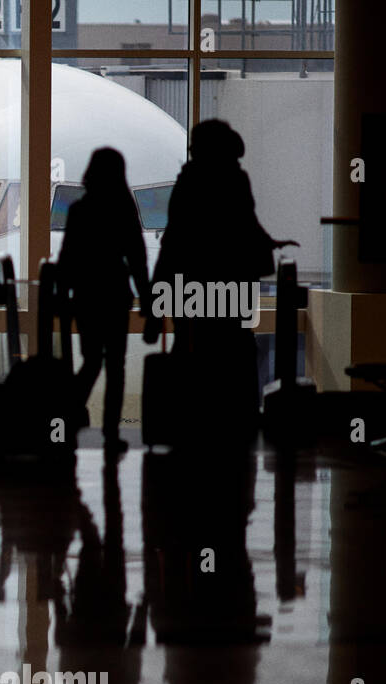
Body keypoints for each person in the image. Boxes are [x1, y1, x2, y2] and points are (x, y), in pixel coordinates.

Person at [148, 119, 292, 442]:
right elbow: (248, 226)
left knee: (188, 353)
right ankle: (235, 422)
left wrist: (157, 305)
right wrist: (270, 244)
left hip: (190, 288)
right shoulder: (235, 181)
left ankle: (189, 424)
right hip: (233, 285)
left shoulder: (189, 183)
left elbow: (173, 244)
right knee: (235, 351)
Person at [57, 147, 150, 455]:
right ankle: (110, 432)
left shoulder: (80, 211)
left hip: (86, 299)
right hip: (114, 297)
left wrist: (62, 297)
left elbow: (67, 260)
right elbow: (137, 257)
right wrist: (147, 298)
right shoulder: (124, 210)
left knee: (92, 362)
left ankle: (64, 420)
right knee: (116, 367)